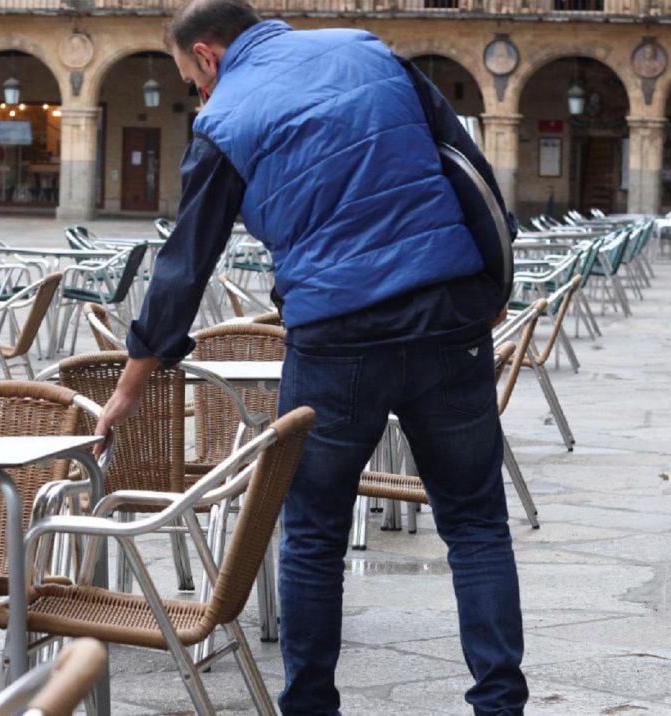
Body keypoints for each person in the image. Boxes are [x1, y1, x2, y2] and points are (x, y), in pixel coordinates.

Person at [90, 1, 529, 714]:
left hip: (337, 334)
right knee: (476, 523)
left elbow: (184, 263)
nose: (199, 94)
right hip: (448, 315)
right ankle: (501, 703)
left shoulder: (226, 116)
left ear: (206, 55)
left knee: (315, 534)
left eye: (190, 79)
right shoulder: (367, 50)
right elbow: (467, 168)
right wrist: (491, 283)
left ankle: (311, 706)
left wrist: (134, 380)